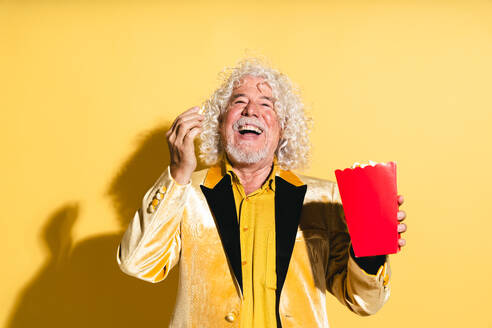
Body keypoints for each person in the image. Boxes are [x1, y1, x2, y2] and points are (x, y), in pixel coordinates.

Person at [117, 58, 407, 328]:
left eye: (266, 105)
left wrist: (372, 248)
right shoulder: (185, 192)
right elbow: (137, 263)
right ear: (220, 124)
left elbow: (366, 302)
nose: (251, 110)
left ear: (283, 129)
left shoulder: (324, 198)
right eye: (239, 101)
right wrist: (178, 172)